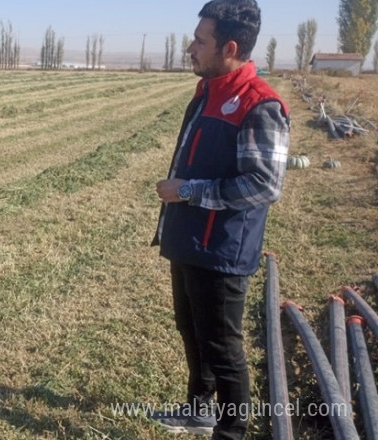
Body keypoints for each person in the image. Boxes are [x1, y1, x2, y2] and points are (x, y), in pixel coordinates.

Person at [151, 1, 290, 439]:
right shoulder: (208, 90)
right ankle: (198, 409)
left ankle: (231, 431)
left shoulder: (259, 104)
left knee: (223, 347)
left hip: (222, 250)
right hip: (190, 239)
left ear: (229, 47)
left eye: (200, 41)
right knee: (192, 329)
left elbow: (264, 184)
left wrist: (189, 191)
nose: (190, 47)